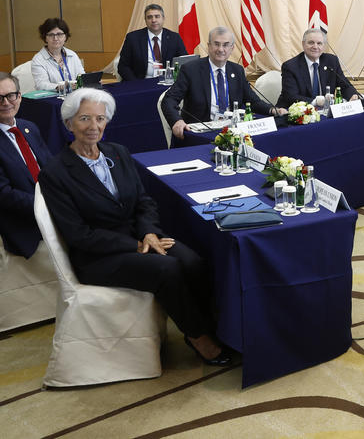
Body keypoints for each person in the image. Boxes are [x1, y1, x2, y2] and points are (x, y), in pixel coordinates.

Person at [38, 88, 231, 365]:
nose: (94, 127)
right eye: (84, 119)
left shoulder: (119, 153)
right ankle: (199, 337)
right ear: (69, 123)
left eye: (100, 119)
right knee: (168, 268)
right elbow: (78, 234)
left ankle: (209, 325)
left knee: (193, 261)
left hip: (140, 236)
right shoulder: (55, 173)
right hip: (98, 256)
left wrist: (149, 233)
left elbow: (144, 202)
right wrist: (137, 245)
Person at [162, 26, 286, 140]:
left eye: (226, 45)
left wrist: (273, 110)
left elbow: (253, 101)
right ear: (209, 46)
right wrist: (177, 121)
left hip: (231, 132)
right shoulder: (191, 70)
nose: (221, 49)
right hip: (201, 134)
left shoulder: (237, 70)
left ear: (232, 48)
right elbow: (169, 100)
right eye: (216, 44)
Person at [0, 72, 53, 259]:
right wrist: (47, 207)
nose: (6, 103)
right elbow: (4, 195)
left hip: (52, 205)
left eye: (10, 96)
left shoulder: (28, 127)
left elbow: (50, 169)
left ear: (20, 97)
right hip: (24, 218)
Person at [277, 28, 359, 108]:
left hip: (323, 111)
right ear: (303, 44)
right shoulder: (290, 66)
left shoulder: (331, 61)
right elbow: (291, 96)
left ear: (324, 46)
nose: (315, 47)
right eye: (311, 43)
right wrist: (315, 102)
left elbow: (345, 85)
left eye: (319, 43)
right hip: (293, 112)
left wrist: (353, 96)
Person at [117, 4, 189, 81]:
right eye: (149, 17)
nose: (153, 20)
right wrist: (136, 84)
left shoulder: (174, 37)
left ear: (163, 18)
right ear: (145, 20)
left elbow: (184, 61)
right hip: (141, 82)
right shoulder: (133, 38)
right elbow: (123, 66)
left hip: (167, 82)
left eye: (157, 16)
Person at [30, 18, 85, 92]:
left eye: (59, 34)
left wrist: (89, 81)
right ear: (45, 38)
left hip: (75, 95)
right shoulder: (38, 60)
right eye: (51, 35)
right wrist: (60, 87)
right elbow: (41, 84)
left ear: (65, 37)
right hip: (52, 98)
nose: (55, 38)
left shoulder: (72, 55)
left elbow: (82, 76)